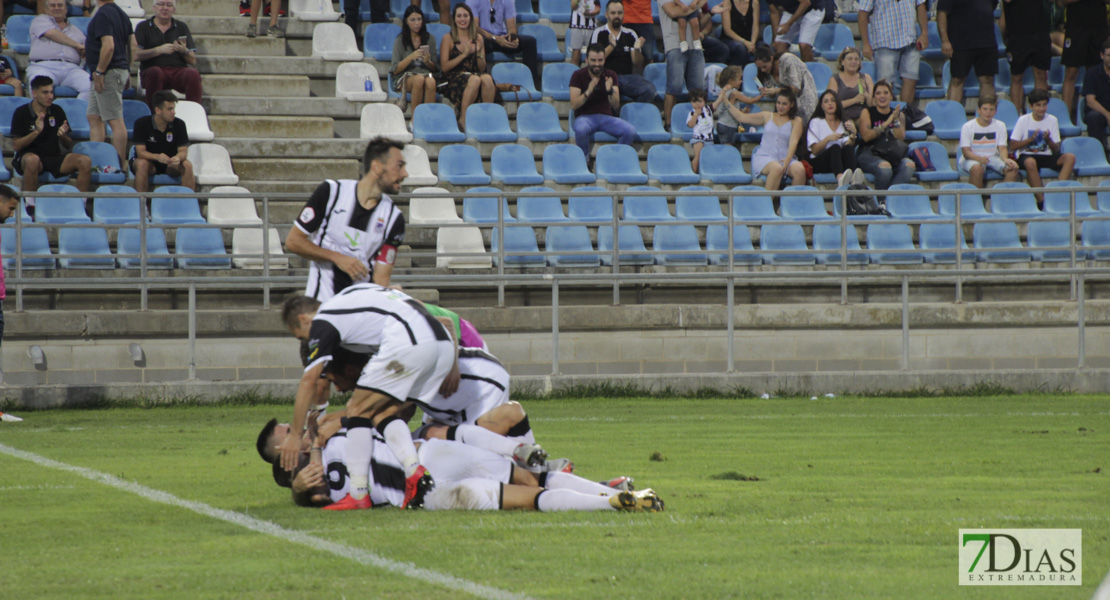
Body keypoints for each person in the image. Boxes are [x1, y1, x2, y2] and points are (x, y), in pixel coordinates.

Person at [279, 285, 459, 511]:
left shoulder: (324, 319)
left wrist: (296, 434)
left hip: (411, 344)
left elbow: (310, 380)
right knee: (383, 412)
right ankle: (414, 473)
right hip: (442, 346)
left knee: (356, 409)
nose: (308, 340)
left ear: (304, 319)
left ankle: (358, 494)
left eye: (301, 336)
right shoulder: (351, 298)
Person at [257, 416, 663, 512]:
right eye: (287, 432)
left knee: (525, 489)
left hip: (428, 481)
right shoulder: (309, 486)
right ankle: (616, 497)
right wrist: (297, 492)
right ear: (283, 457)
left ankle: (614, 498)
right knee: (527, 488)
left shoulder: (330, 432)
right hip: (431, 474)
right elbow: (318, 504)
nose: (296, 429)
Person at [285, 138, 406, 302]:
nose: (405, 174)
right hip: (321, 307)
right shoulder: (331, 193)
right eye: (399, 166)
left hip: (358, 313)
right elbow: (293, 241)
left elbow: (381, 279)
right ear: (377, 167)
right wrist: (337, 257)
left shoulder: (394, 218)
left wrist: (389, 295)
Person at [10, 76, 92, 194]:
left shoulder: (57, 110)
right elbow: (16, 146)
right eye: (45, 92)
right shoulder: (21, 112)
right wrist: (36, 132)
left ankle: (81, 203)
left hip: (53, 156)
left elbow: (68, 144)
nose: (50, 96)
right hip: (29, 157)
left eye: (51, 92)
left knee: (85, 161)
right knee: (32, 160)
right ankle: (30, 203)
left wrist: (63, 135)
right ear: (34, 93)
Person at [85, 0, 135, 169]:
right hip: (111, 71)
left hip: (106, 73)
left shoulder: (103, 14)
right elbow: (133, 46)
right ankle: (97, 161)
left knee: (115, 121)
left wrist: (99, 71)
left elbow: (109, 47)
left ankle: (118, 167)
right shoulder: (121, 13)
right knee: (94, 116)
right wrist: (127, 69)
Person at [570, 43, 636, 163]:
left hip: (606, 117)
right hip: (585, 117)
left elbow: (616, 105)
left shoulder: (610, 75)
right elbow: (574, 105)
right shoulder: (578, 75)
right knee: (580, 129)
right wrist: (588, 91)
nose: (597, 64)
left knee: (630, 131)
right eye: (593, 60)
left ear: (604, 60)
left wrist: (609, 90)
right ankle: (584, 162)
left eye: (600, 60)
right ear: (586, 60)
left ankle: (613, 161)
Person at [728, 88, 806, 190]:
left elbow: (794, 141)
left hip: (786, 157)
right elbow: (741, 117)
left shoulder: (796, 121)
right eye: (778, 103)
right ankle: (768, 203)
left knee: (800, 170)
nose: (780, 107)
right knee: (776, 168)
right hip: (766, 157)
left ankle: (792, 204)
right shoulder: (767, 116)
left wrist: (787, 160)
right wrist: (726, 102)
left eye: (784, 104)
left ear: (792, 104)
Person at [1010, 88, 1076, 203]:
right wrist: (1030, 139)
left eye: (1044, 105)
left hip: (1046, 156)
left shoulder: (1052, 120)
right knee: (1030, 162)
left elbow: (1056, 149)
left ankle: (1056, 194)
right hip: (1026, 155)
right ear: (1031, 106)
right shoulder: (1023, 120)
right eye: (1038, 105)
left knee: (1070, 157)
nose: (1042, 108)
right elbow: (1013, 145)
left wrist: (1048, 140)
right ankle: (1042, 201)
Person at [857, 0, 928, 105]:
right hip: (885, 41)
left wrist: (924, 33)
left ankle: (905, 114)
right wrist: (866, 43)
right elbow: (862, 14)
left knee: (911, 81)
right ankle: (886, 117)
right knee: (885, 86)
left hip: (910, 39)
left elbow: (920, 6)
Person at [134, 0, 202, 108]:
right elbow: (135, 55)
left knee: (192, 74)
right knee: (155, 72)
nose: (165, 8)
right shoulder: (143, 27)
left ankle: (194, 110)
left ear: (174, 10)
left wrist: (183, 51)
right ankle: (154, 113)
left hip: (177, 70)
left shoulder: (181, 27)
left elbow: (193, 60)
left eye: (169, 5)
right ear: (154, 8)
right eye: (161, 4)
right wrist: (158, 50)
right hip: (153, 69)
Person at [439, 3, 496, 129]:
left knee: (486, 78)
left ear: (470, 18)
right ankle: (463, 119)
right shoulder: (448, 38)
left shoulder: (478, 38)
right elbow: (444, 67)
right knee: (475, 80)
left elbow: (481, 68)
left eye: (465, 16)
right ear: (454, 19)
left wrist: (479, 53)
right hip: (452, 78)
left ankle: (487, 118)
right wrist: (464, 55)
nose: (462, 19)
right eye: (459, 16)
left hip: (474, 74)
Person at [589, 0, 656, 104]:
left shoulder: (630, 33)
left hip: (627, 78)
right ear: (606, 15)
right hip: (606, 76)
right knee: (607, 90)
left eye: (620, 13)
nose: (617, 16)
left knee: (649, 89)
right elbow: (594, 60)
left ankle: (635, 116)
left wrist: (637, 49)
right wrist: (611, 46)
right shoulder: (599, 33)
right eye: (613, 13)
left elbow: (637, 63)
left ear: (624, 14)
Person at [131, 90, 195, 193]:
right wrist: (157, 156)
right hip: (150, 162)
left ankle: (188, 203)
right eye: (169, 109)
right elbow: (140, 152)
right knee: (142, 164)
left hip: (170, 164)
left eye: (173, 108)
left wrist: (178, 158)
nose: (173, 112)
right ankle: (141, 205)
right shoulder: (141, 123)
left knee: (187, 165)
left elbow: (183, 151)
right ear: (158, 110)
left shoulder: (179, 124)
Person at [857, 79, 915, 191]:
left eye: (885, 93)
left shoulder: (898, 114)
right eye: (878, 93)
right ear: (873, 97)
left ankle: (889, 199)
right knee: (885, 168)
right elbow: (866, 136)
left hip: (890, 152)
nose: (882, 96)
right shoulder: (867, 112)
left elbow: (900, 138)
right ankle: (881, 201)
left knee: (909, 166)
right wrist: (887, 123)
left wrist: (896, 120)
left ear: (891, 96)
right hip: (869, 151)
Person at [467, 0, 540, 87]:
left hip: (502, 37)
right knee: (479, 42)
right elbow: (474, 27)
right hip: (485, 37)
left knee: (530, 42)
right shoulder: (473, 1)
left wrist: (513, 37)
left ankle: (532, 84)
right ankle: (484, 85)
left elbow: (512, 26)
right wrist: (494, 38)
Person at [937, 0, 998, 104]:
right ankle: (954, 115)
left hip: (987, 41)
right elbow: (941, 14)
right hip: (961, 43)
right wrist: (945, 40)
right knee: (957, 79)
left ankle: (988, 114)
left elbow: (992, 6)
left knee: (988, 79)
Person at [26, 0, 87, 101]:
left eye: (60, 5)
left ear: (66, 9)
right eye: (52, 5)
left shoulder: (76, 31)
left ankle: (74, 114)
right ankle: (43, 116)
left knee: (91, 86)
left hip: (72, 69)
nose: (57, 8)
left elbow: (84, 50)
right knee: (40, 86)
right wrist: (77, 45)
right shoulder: (40, 20)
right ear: (46, 9)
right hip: (44, 66)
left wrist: (84, 53)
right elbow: (52, 34)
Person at [1059, 0, 1108, 123]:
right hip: (1076, 26)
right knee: (1071, 71)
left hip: (1098, 26)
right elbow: (1061, 2)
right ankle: (1065, 118)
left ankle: (1099, 113)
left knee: (1097, 72)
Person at [660, 0, 707, 128]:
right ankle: (668, 124)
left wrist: (695, 5)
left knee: (698, 89)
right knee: (674, 87)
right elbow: (673, 12)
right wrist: (695, 6)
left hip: (695, 45)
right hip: (674, 44)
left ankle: (700, 124)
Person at [1000, 0, 1051, 112]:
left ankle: (1040, 114)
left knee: (1041, 74)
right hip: (1018, 34)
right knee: (1017, 77)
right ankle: (1016, 116)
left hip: (1039, 32)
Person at [959, 95, 1020, 188]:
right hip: (971, 158)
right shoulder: (967, 126)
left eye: (991, 109)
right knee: (977, 168)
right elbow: (966, 152)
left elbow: (1002, 148)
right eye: (985, 109)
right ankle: (976, 200)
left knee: (1012, 169)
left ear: (995, 111)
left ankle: (1001, 199)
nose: (988, 112)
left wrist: (1005, 159)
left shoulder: (1000, 125)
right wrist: (979, 159)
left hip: (993, 157)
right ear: (979, 110)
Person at [391, 6, 438, 112]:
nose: (417, 23)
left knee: (431, 82)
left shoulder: (430, 39)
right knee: (418, 79)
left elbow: (435, 68)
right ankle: (414, 120)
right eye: (412, 20)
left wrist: (428, 62)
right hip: (406, 76)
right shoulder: (400, 40)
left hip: (425, 75)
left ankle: (427, 120)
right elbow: (395, 70)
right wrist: (411, 57)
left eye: (419, 19)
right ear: (406, 22)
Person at [754, 46, 817, 126]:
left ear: (772, 59)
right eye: (760, 68)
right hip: (787, 101)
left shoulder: (788, 59)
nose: (763, 70)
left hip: (804, 97)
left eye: (764, 66)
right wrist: (767, 92)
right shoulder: (767, 73)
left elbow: (796, 87)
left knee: (802, 128)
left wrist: (777, 90)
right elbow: (772, 95)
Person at [806, 90, 858, 177]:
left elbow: (846, 146)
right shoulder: (816, 122)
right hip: (820, 162)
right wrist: (827, 139)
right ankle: (840, 179)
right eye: (826, 101)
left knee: (847, 149)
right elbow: (814, 150)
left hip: (838, 161)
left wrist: (853, 134)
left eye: (833, 100)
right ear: (822, 106)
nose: (830, 103)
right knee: (835, 147)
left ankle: (854, 179)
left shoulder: (844, 122)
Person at [711, 65, 760, 145]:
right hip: (728, 126)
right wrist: (761, 95)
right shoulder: (734, 93)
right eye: (739, 79)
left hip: (721, 124)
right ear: (731, 81)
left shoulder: (724, 92)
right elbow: (750, 101)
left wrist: (742, 111)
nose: (741, 81)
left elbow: (730, 111)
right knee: (728, 149)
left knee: (726, 148)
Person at [827, 46, 873, 124]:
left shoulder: (866, 78)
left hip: (862, 117)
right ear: (842, 62)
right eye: (850, 59)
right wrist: (854, 100)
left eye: (856, 59)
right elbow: (832, 105)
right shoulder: (835, 79)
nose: (853, 62)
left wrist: (866, 94)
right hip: (842, 118)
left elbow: (873, 104)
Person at [1085, 39, 1110, 157]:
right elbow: (1090, 101)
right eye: (1108, 55)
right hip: (1100, 111)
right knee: (1093, 117)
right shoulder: (1092, 73)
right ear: (1102, 55)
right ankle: (1099, 155)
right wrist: (1107, 114)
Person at [716, 0, 759, 67]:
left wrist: (752, 43)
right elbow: (727, 30)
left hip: (749, 40)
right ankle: (735, 74)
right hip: (730, 39)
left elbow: (755, 27)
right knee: (740, 48)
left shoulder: (754, 2)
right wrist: (744, 42)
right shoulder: (727, 2)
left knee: (764, 48)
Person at [622, 0, 656, 65]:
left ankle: (648, 75)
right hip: (627, 20)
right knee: (624, 54)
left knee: (648, 56)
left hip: (645, 20)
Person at [687, 90, 713, 172]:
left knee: (707, 157)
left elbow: (717, 103)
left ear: (705, 101)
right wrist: (696, 114)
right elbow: (690, 124)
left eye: (700, 101)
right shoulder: (692, 113)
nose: (697, 104)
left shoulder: (708, 109)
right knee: (698, 156)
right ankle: (694, 172)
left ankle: (705, 172)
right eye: (694, 101)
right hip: (698, 138)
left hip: (709, 138)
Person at [568, 0, 600, 65]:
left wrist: (591, 13)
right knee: (576, 51)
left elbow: (598, 9)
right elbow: (573, 6)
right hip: (576, 25)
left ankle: (591, 73)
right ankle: (574, 72)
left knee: (592, 51)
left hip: (591, 26)